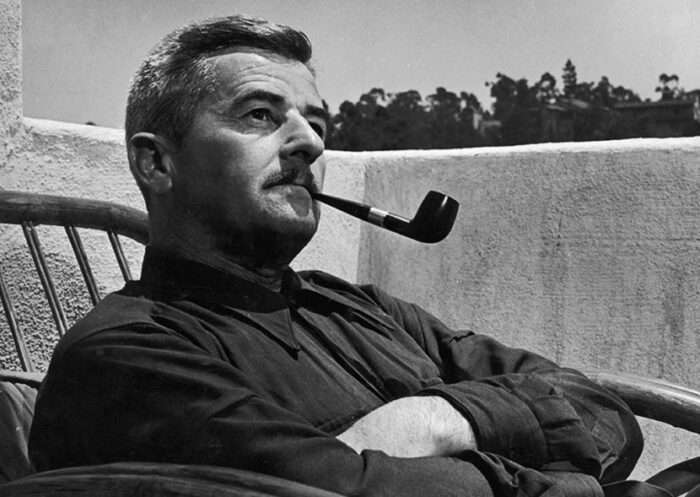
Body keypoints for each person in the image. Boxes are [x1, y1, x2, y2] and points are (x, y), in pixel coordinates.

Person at [29, 15, 643, 497]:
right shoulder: (123, 357)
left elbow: (605, 413)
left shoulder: (359, 306)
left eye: (317, 124)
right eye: (260, 115)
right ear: (157, 162)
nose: (309, 143)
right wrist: (554, 468)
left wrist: (436, 416)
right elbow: (345, 492)